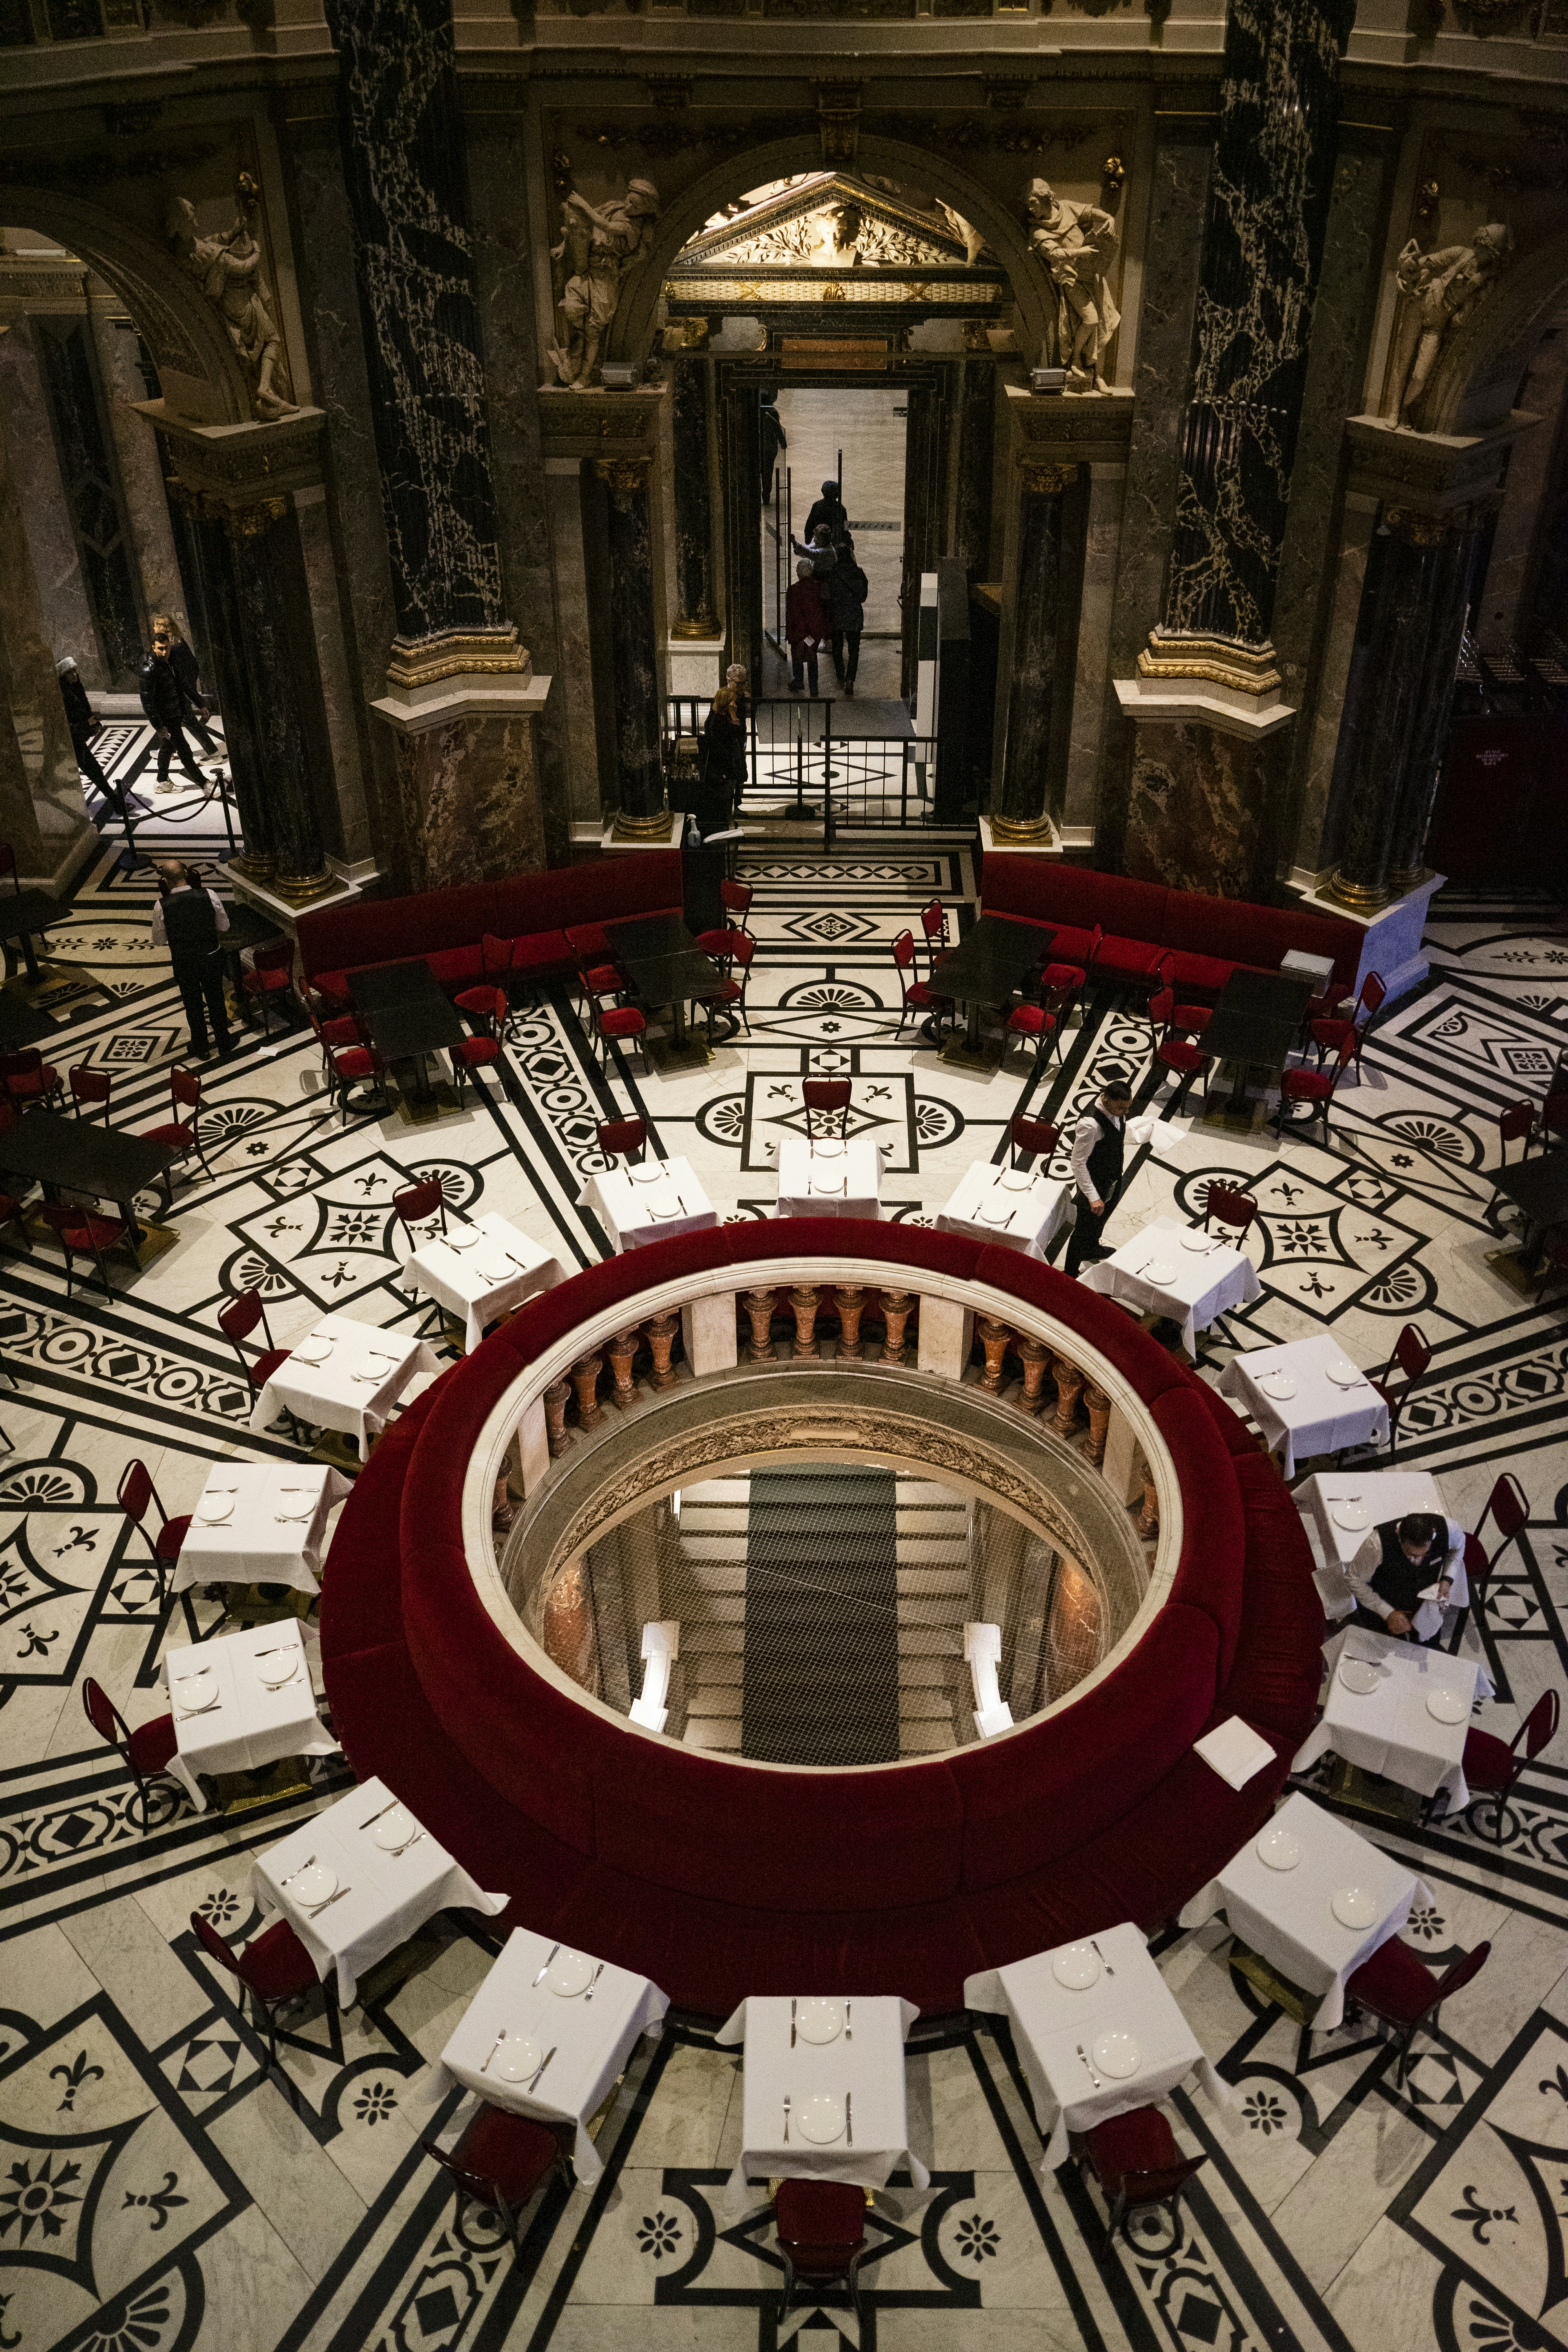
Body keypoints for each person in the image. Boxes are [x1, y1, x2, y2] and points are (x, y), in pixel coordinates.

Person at [150, 859, 232, 1061]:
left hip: (185, 962)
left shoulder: (162, 905)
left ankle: (202, 1047)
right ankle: (224, 1042)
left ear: (165, 880)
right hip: (211, 956)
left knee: (193, 1004)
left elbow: (159, 941)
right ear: (186, 873)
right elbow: (224, 926)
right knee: (216, 999)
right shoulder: (209, 894)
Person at [56, 656, 137, 843]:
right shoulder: (60, 695)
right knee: (90, 770)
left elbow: (86, 710)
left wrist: (93, 723)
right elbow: (62, 724)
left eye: (75, 671)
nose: (75, 675)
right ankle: (114, 801)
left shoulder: (77, 688)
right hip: (65, 741)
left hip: (76, 739)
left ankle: (114, 800)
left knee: (92, 769)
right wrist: (86, 724)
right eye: (70, 673)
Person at [1345, 1512, 1459, 1645]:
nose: (1419, 1560)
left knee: (1430, 1650)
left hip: (1423, 1608)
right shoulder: (1376, 1544)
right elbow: (1353, 1579)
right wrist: (1387, 1612)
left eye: (1426, 1553)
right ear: (1399, 1536)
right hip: (1384, 1603)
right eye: (1411, 1555)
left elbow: (1457, 1550)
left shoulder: (1450, 1530)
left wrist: (1448, 1577)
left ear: (1433, 1533)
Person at [1065, 1075, 1132, 1275]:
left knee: (1101, 1220)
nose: (1126, 1112)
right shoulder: (1091, 1125)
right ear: (1106, 1100)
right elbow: (1078, 1163)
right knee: (1083, 1229)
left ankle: (1092, 1247)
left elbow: (1116, 1133)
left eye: (1128, 1107)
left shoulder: (1117, 1108)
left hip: (1112, 1177)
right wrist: (1093, 1197)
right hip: (1095, 1184)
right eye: (1122, 1108)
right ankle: (1070, 1271)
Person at [138, 625, 209, 789]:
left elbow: (184, 684)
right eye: (161, 649)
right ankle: (204, 784)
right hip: (166, 717)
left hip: (177, 712)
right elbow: (148, 702)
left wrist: (200, 704)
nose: (164, 652)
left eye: (167, 648)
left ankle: (162, 781)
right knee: (185, 751)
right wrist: (158, 725)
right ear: (153, 648)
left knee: (167, 746)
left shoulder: (171, 661)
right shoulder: (149, 670)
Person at [147, 615, 219, 757]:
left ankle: (214, 753)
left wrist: (187, 691)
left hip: (179, 693)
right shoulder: (178, 643)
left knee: (190, 722)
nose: (154, 628)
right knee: (175, 723)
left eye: (155, 626)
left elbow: (179, 673)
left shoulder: (171, 649)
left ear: (162, 628)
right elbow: (193, 666)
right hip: (181, 691)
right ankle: (169, 752)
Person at [698, 662, 750, 835]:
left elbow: (741, 726)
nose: (742, 686)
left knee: (738, 774)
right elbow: (712, 726)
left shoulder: (741, 697)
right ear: (729, 680)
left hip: (736, 742)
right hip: (726, 747)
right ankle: (727, 812)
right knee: (730, 776)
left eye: (744, 683)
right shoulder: (723, 698)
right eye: (739, 683)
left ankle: (738, 804)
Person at [827, 532, 869, 693]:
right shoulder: (859, 573)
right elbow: (863, 597)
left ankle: (840, 674)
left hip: (837, 614)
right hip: (854, 614)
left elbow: (828, 595)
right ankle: (850, 680)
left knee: (837, 648)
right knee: (854, 650)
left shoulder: (833, 574)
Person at [785, 560, 827, 697]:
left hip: (799, 631)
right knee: (812, 656)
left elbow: (792, 613)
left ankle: (799, 681)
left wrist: (795, 634)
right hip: (814, 631)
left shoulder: (793, 590)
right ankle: (814, 688)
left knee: (797, 656)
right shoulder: (818, 588)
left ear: (798, 573)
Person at [789, 519, 838, 584]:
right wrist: (798, 550)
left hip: (826, 579)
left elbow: (811, 554)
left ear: (825, 540)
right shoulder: (819, 544)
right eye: (815, 536)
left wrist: (795, 543)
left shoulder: (828, 551)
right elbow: (807, 550)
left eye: (818, 538)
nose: (815, 539)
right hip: (820, 574)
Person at [759, 394, 786, 508]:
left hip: (759, 447)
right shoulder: (772, 413)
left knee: (759, 472)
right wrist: (783, 443)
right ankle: (766, 496)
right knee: (768, 473)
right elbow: (778, 429)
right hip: (769, 448)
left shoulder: (756, 412)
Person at [802, 479, 847, 545]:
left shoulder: (817, 506)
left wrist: (808, 540)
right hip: (834, 543)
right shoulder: (841, 508)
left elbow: (809, 525)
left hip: (820, 542)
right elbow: (845, 529)